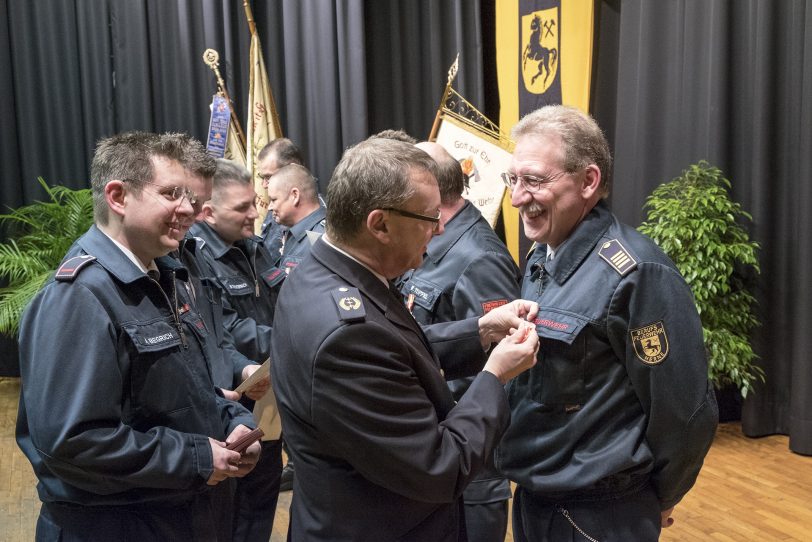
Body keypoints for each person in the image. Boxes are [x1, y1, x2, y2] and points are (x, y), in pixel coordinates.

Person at [271, 137, 540, 541]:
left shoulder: (323, 270)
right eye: (430, 218)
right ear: (379, 224)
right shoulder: (348, 335)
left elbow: (397, 349)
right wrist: (495, 376)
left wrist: (480, 330)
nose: (442, 228)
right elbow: (440, 466)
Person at [16, 131, 260, 541]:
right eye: (170, 193)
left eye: (191, 197)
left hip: (180, 515)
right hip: (117, 526)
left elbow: (181, 390)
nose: (189, 208)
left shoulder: (166, 277)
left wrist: (234, 421)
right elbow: (74, 442)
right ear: (117, 196)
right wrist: (197, 457)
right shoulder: (79, 296)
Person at [496, 105, 719, 542]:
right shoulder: (543, 256)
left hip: (600, 513)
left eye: (535, 180)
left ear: (589, 181)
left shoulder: (636, 274)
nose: (518, 197)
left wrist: (659, 496)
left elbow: (685, 411)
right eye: (513, 179)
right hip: (536, 499)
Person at [397, 141, 522, 542]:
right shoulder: (432, 244)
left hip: (469, 471)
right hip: (431, 457)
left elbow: (501, 367)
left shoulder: (479, 256)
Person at [191, 159, 283, 542]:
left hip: (269, 392)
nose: (255, 213)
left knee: (264, 494)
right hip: (230, 397)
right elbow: (223, 329)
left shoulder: (254, 248)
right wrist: (291, 342)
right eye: (242, 207)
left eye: (254, 202)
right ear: (209, 212)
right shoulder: (196, 259)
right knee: (231, 510)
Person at [266, 163, 326, 273]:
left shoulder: (325, 238)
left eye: (274, 200)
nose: (270, 207)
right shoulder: (292, 232)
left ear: (294, 195)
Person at [257, 138, 306, 256]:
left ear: (293, 169)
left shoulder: (322, 218)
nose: (264, 185)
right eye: (262, 177)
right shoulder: (275, 206)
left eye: (269, 177)